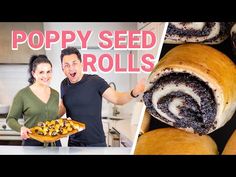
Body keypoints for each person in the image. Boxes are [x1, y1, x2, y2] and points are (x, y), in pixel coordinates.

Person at [59, 47, 145, 147]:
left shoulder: (95, 81)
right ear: (62, 68)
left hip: (95, 144)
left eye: (74, 63)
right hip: (73, 144)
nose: (71, 68)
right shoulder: (64, 84)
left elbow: (117, 98)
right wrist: (47, 116)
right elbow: (63, 107)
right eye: (66, 65)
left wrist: (135, 92)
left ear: (81, 64)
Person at [6, 55, 61, 146]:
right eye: (41, 72)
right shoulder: (22, 94)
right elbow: (10, 119)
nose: (45, 76)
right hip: (32, 144)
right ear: (33, 73)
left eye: (48, 72)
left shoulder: (55, 94)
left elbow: (53, 119)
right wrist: (21, 128)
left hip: (54, 144)